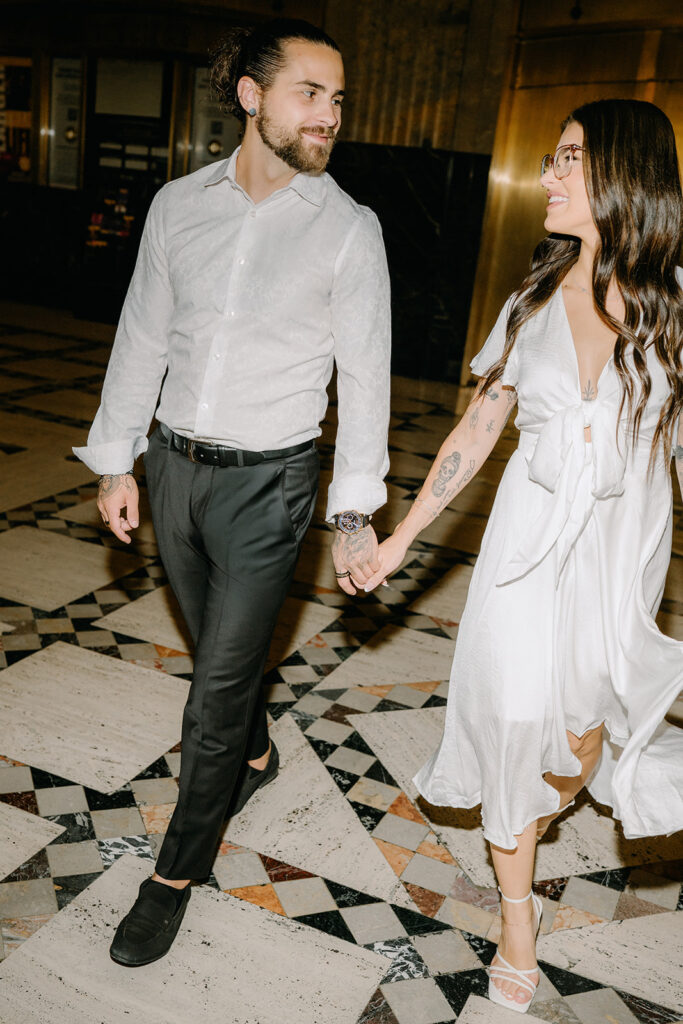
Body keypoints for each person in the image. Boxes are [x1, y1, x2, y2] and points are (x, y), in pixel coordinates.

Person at [74, 18, 391, 967]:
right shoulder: (178, 206)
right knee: (224, 656)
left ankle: (173, 875)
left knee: (212, 690)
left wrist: (353, 511)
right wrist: (118, 460)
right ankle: (254, 754)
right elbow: (141, 336)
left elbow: (366, 382)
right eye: (310, 92)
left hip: (271, 486)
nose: (328, 114)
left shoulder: (348, 229)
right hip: (172, 471)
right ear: (253, 97)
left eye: (337, 98)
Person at [364, 98, 683, 1012]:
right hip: (521, 549)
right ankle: (515, 921)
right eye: (548, 157)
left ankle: (552, 791)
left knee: (573, 744)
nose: (547, 174)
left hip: (617, 560)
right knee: (509, 721)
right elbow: (478, 425)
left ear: (623, 173)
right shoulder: (532, 299)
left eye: (568, 159)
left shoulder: (672, 310)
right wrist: (399, 540)